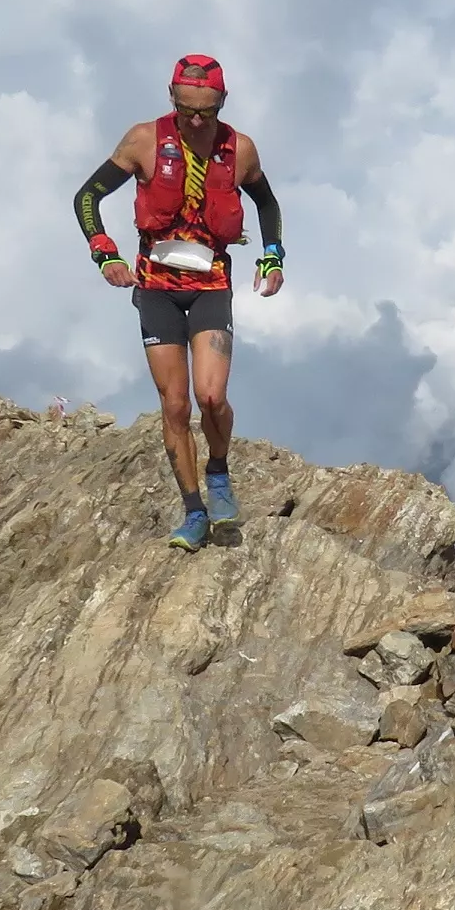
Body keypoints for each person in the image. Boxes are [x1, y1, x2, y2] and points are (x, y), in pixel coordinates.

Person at [72, 53, 283, 549]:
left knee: (211, 397)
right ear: (172, 98)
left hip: (210, 282)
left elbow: (267, 203)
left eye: (206, 112)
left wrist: (272, 257)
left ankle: (218, 471)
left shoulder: (240, 149)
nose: (195, 120)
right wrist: (105, 255)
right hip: (155, 287)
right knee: (174, 404)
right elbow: (87, 196)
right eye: (186, 109)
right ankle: (193, 511)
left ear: (222, 103)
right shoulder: (144, 140)